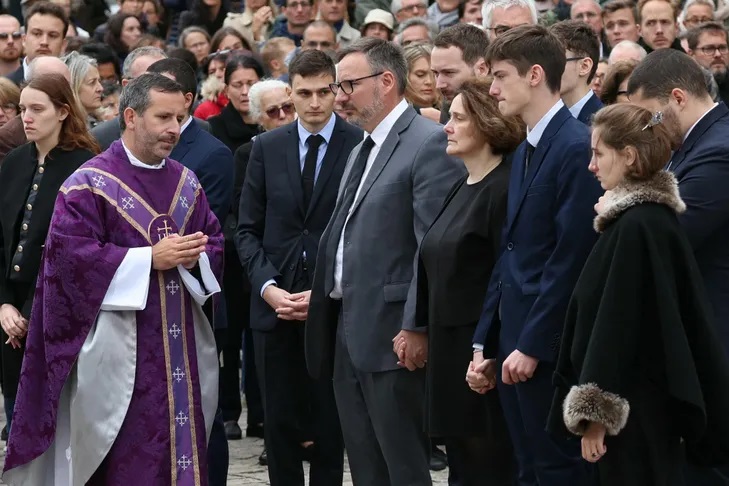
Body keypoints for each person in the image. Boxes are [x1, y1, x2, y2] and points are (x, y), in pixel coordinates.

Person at [3, 72, 224, 484]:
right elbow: (69, 262)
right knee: (127, 459)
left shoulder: (186, 182)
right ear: (131, 116)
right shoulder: (88, 184)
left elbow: (213, 241)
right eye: (163, 117)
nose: (174, 129)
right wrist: (147, 260)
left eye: (180, 117)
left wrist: (196, 257)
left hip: (181, 346)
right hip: (117, 353)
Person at [305, 37, 464, 486]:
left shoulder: (428, 143)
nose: (338, 97)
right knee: (367, 466)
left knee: (403, 465)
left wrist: (416, 325)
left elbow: (430, 247)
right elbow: (350, 235)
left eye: (347, 85)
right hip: (348, 329)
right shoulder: (362, 148)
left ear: (387, 81)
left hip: (394, 336)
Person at [548, 103, 729, 485]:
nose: (591, 166)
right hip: (642, 409)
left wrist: (596, 418)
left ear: (628, 156)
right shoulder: (644, 221)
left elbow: (616, 324)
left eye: (598, 154)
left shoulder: (637, 226)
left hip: (635, 416)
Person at [470, 25, 601, 486]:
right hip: (513, 342)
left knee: (556, 470)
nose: (492, 88)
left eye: (501, 75)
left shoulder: (574, 146)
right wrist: (485, 340)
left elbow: (570, 258)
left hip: (548, 349)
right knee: (527, 468)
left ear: (535, 75)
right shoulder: (527, 147)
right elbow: (511, 251)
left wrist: (532, 344)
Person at [237, 49, 363, 486]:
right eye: (304, 93)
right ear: (290, 93)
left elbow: (360, 230)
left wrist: (329, 290)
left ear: (336, 91)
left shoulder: (359, 145)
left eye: (323, 92)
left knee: (331, 427)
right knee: (278, 424)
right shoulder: (266, 148)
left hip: (332, 306)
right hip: (275, 306)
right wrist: (267, 287)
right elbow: (247, 230)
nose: (314, 103)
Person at [627, 52, 729, 485]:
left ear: (677, 97)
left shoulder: (720, 150)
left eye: (650, 118)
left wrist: (620, 205)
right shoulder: (693, 146)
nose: (648, 130)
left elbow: (674, 234)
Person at [415, 77, 522, 486]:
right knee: (463, 465)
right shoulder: (462, 184)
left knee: (488, 466)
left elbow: (503, 275)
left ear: (488, 123)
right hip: (449, 349)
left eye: (458, 118)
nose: (447, 126)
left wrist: (487, 349)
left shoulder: (504, 188)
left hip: (480, 355)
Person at [148, 56, 234, 486]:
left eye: (170, 112)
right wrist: (145, 258)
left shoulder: (208, 156)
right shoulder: (104, 161)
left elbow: (211, 235)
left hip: (188, 308)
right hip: (134, 316)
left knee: (200, 410)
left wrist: (177, 252)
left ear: (186, 101)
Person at [0, 72, 97, 440]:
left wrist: (27, 310)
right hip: (8, 315)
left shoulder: (85, 167)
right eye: (22, 108)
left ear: (62, 112)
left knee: (56, 419)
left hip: (58, 308)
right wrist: (4, 305)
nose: (26, 117)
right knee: (16, 411)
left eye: (37, 109)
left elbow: (76, 249)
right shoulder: (13, 163)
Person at [91, 46, 168, 150]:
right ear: (127, 85)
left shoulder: (188, 132)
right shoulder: (99, 138)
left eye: (165, 80)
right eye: (148, 80)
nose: (159, 87)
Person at [430, 23, 489, 123]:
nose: (439, 85)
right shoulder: (450, 102)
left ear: (482, 69)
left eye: (448, 73)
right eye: (436, 73)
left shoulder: (510, 109)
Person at [549, 20, 603, 125]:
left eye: (556, 60)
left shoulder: (606, 124)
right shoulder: (547, 118)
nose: (547, 68)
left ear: (584, 66)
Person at [208, 54, 263, 154]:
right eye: (237, 85)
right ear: (226, 91)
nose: (245, 91)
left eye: (251, 84)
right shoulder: (212, 129)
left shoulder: (275, 120)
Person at [5, 2, 69, 86]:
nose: (44, 42)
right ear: (24, 40)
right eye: (37, 34)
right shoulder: (5, 88)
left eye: (52, 35)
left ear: (63, 45)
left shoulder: (74, 86)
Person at [62, 51, 103, 127]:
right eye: (92, 83)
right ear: (73, 87)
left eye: (99, 81)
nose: (100, 88)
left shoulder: (99, 124)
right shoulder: (62, 129)